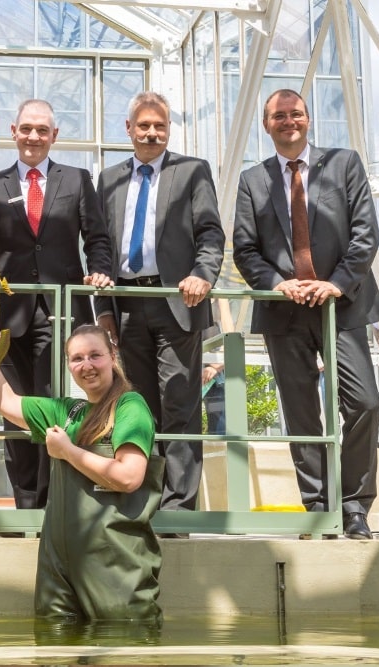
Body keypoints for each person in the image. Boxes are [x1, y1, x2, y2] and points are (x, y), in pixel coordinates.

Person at [232, 88, 379, 540]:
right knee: (301, 415)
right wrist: (278, 285)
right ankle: (319, 509)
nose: (288, 121)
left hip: (343, 304)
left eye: (295, 113)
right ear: (266, 125)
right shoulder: (252, 181)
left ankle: (354, 506)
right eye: (278, 116)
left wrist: (336, 281)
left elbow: (365, 231)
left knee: (364, 403)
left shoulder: (343, 164)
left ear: (308, 118)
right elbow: (245, 248)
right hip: (285, 311)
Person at [0, 98, 114, 511]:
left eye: (42, 130)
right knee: (13, 409)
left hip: (63, 313)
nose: (33, 137)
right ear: (14, 132)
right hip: (7, 317)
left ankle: (55, 504)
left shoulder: (78, 180)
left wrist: (99, 271)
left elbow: (96, 238)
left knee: (56, 406)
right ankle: (26, 504)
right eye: (26, 129)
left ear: (54, 136)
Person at [95, 91, 225, 517]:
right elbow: (99, 246)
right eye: (144, 125)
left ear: (169, 130)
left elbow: (210, 234)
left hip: (176, 299)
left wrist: (202, 276)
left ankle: (178, 510)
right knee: (136, 405)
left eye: (160, 126)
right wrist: (105, 312)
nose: (152, 133)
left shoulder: (191, 171)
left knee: (179, 402)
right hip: (128, 303)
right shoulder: (109, 178)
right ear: (128, 129)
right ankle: (143, 500)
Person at [0, 323, 162, 621]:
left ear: (112, 356)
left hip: (114, 567)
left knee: (123, 646)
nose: (86, 365)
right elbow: (6, 402)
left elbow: (129, 477)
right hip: (60, 570)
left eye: (95, 355)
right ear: (68, 365)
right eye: (77, 358)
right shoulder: (69, 411)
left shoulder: (130, 406)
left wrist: (68, 451)